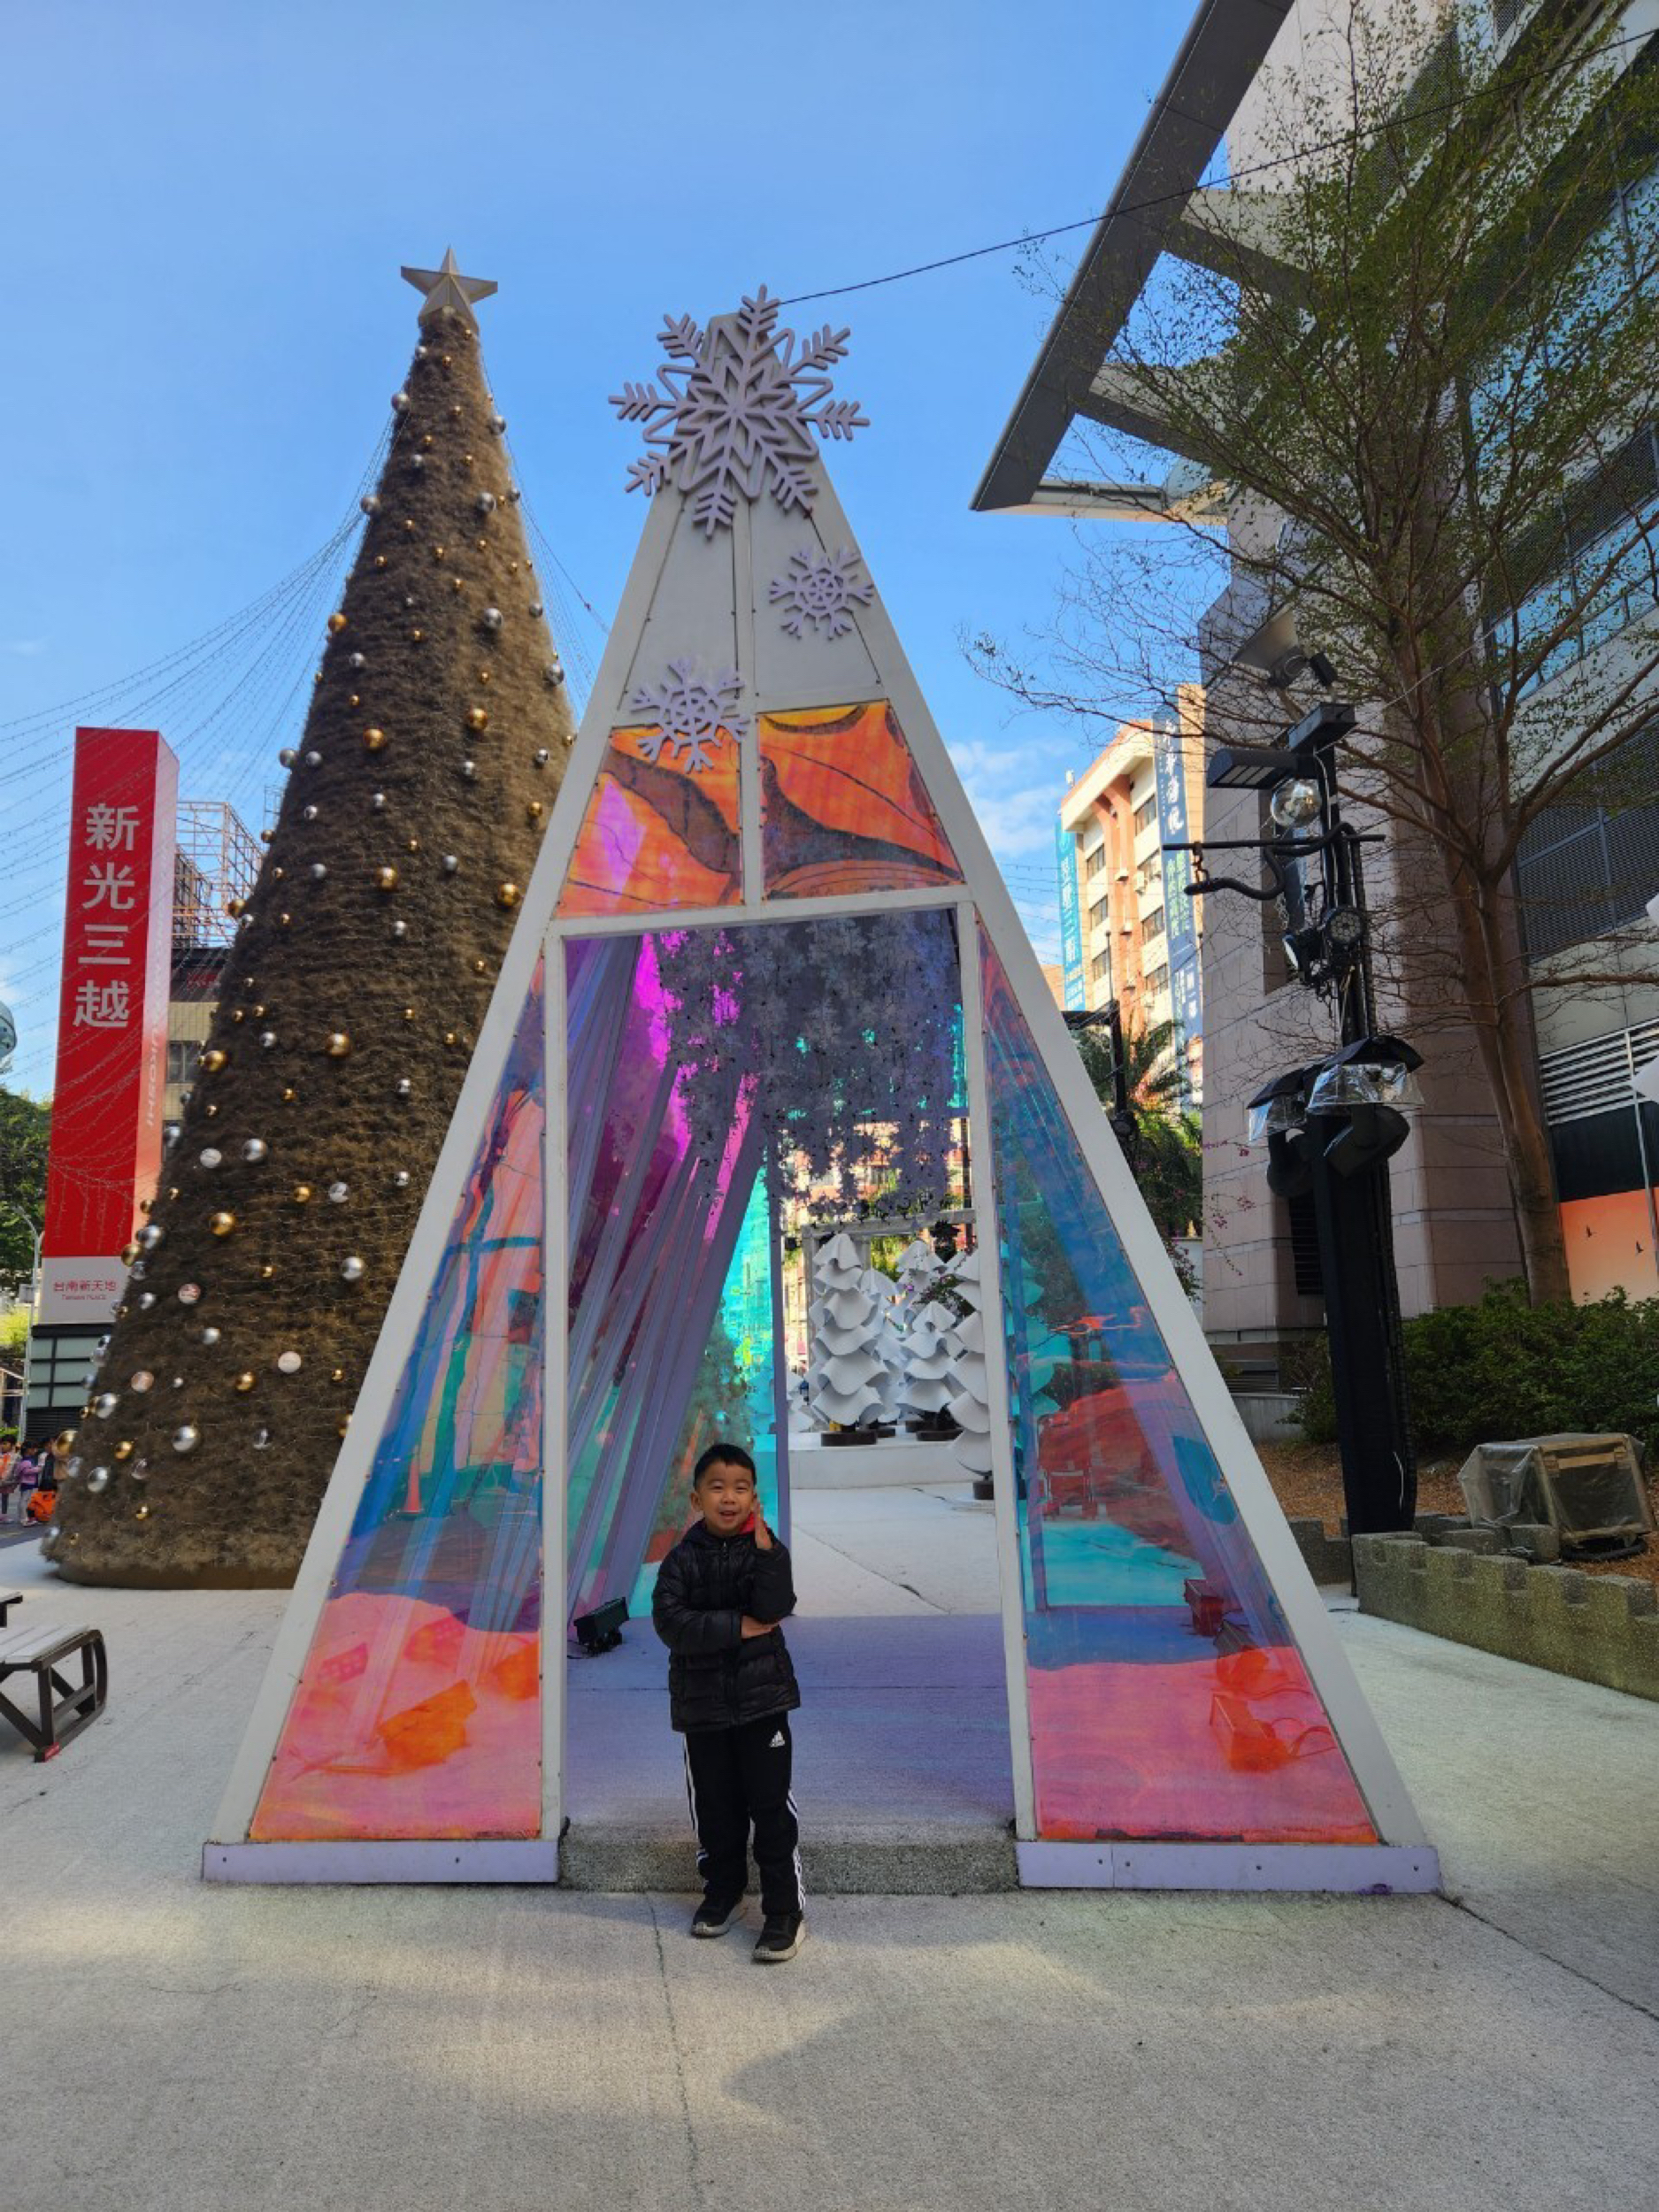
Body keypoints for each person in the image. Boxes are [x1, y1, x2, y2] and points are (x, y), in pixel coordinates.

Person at [651, 1440, 805, 1963]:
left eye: (741, 1488)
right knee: (715, 1807)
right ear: (697, 1499)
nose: (729, 1498)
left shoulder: (767, 1552)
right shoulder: (680, 1561)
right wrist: (736, 1626)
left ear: (754, 1498)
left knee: (771, 1807)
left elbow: (775, 1607)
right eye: (717, 1487)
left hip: (764, 1704)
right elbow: (671, 1623)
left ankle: (784, 1911)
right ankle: (723, 1892)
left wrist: (767, 1554)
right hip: (703, 1709)